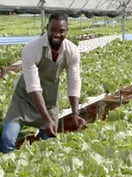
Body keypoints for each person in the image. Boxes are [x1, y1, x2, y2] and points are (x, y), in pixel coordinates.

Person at [0, 12, 87, 153]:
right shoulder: (32, 48)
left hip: (50, 101)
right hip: (24, 100)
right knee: (7, 139)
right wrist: (47, 119)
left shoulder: (72, 51)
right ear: (47, 28)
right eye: (53, 29)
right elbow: (33, 87)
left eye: (61, 31)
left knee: (49, 144)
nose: (57, 34)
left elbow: (74, 81)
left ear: (67, 31)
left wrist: (75, 113)